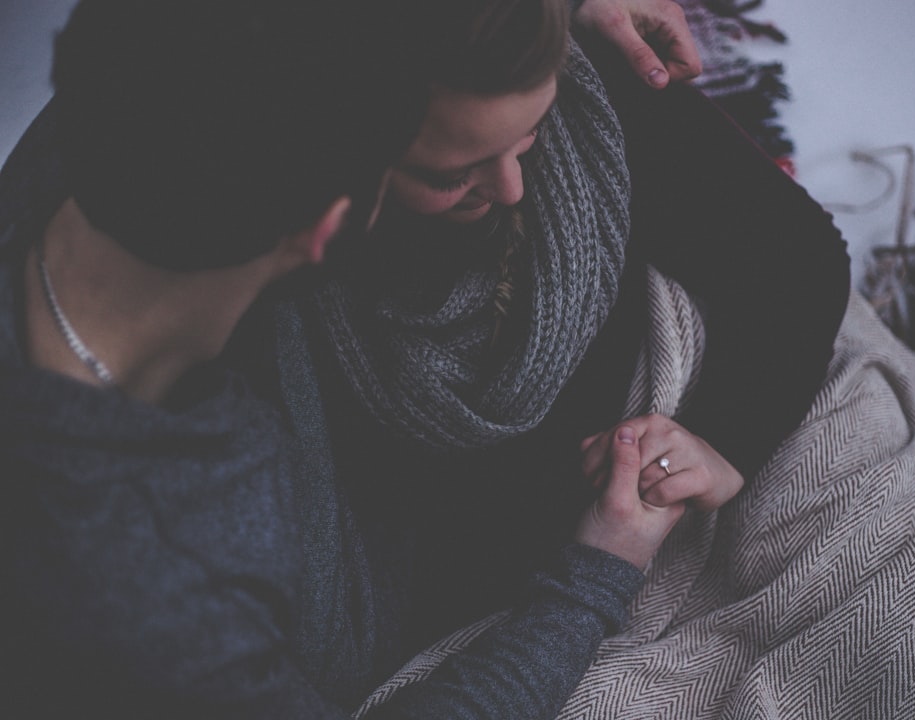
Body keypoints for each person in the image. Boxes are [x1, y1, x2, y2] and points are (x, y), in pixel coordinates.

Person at [271, 1, 915, 718]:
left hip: (723, 404)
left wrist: (722, 441)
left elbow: (797, 257)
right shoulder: (297, 294)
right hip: (559, 570)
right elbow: (392, 547)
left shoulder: (590, 96)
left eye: (528, 136)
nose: (513, 187)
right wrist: (596, 557)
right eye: (451, 174)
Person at [0, 0, 713, 718]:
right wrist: (593, 581)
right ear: (331, 227)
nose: (508, 190)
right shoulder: (174, 594)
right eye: (441, 171)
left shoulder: (117, 104)